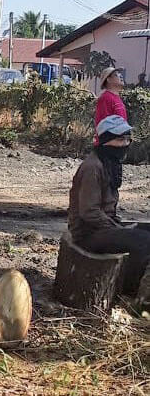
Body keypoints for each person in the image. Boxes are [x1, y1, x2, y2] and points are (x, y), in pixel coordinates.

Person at [68, 115, 150, 309]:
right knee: (143, 242)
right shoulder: (92, 167)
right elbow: (89, 213)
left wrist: (120, 226)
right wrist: (118, 228)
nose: (125, 144)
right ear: (106, 141)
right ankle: (129, 294)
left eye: (127, 139)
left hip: (103, 226)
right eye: (120, 139)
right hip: (88, 233)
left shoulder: (108, 163)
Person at [93, 67, 127, 146]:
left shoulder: (117, 98)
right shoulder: (106, 98)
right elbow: (103, 125)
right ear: (108, 80)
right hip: (108, 146)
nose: (121, 76)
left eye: (120, 74)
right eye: (116, 75)